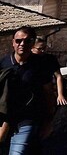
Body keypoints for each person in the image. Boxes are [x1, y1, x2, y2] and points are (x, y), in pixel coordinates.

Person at [0, 26, 50, 154]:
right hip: (4, 118)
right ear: (13, 43)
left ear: (32, 43)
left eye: (27, 41)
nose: (22, 44)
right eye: (18, 41)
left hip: (27, 119)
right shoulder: (4, 64)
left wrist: (48, 123)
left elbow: (48, 94)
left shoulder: (40, 65)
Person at [32, 37, 67, 139]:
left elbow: (58, 76)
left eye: (44, 48)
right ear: (32, 48)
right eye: (39, 49)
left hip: (47, 95)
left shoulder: (49, 59)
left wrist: (60, 95)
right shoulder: (28, 59)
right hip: (32, 95)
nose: (43, 51)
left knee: (46, 124)